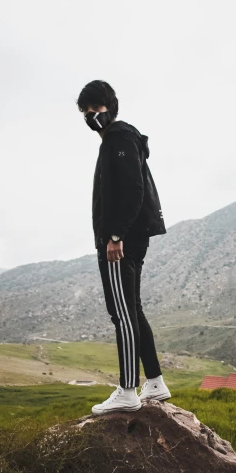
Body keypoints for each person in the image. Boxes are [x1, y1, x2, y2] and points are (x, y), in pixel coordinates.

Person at [76, 79, 171, 414]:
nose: (91, 115)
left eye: (96, 108)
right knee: (133, 309)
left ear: (110, 107)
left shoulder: (118, 138)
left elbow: (133, 191)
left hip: (122, 240)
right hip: (130, 237)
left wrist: (114, 236)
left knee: (123, 314)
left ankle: (128, 390)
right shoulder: (121, 139)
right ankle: (155, 383)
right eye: (86, 111)